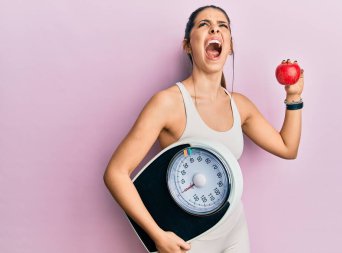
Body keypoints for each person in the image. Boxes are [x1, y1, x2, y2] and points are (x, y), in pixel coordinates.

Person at [104, 5, 304, 253]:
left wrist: (293, 97)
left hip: (234, 232)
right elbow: (116, 172)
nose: (215, 28)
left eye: (223, 26)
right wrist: (157, 235)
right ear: (187, 45)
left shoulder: (240, 105)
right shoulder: (168, 103)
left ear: (230, 46)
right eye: (204, 24)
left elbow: (288, 148)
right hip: (188, 239)